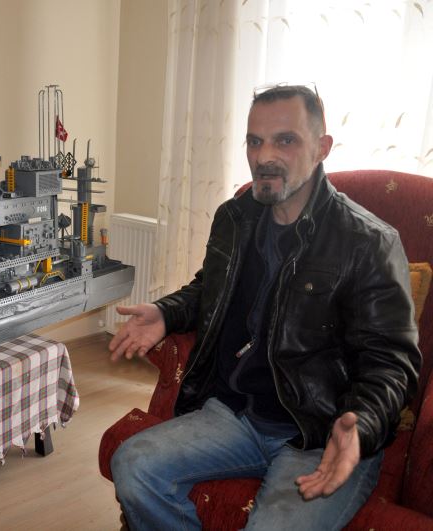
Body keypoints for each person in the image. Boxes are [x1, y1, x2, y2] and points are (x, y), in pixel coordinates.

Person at [108, 85, 421, 531]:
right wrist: (167, 312)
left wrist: (361, 424)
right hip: (234, 415)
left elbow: (392, 361)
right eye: (254, 141)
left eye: (285, 140)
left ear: (322, 147)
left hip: (318, 433)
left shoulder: (367, 242)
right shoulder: (236, 217)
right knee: (133, 465)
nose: (264, 156)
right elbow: (209, 289)